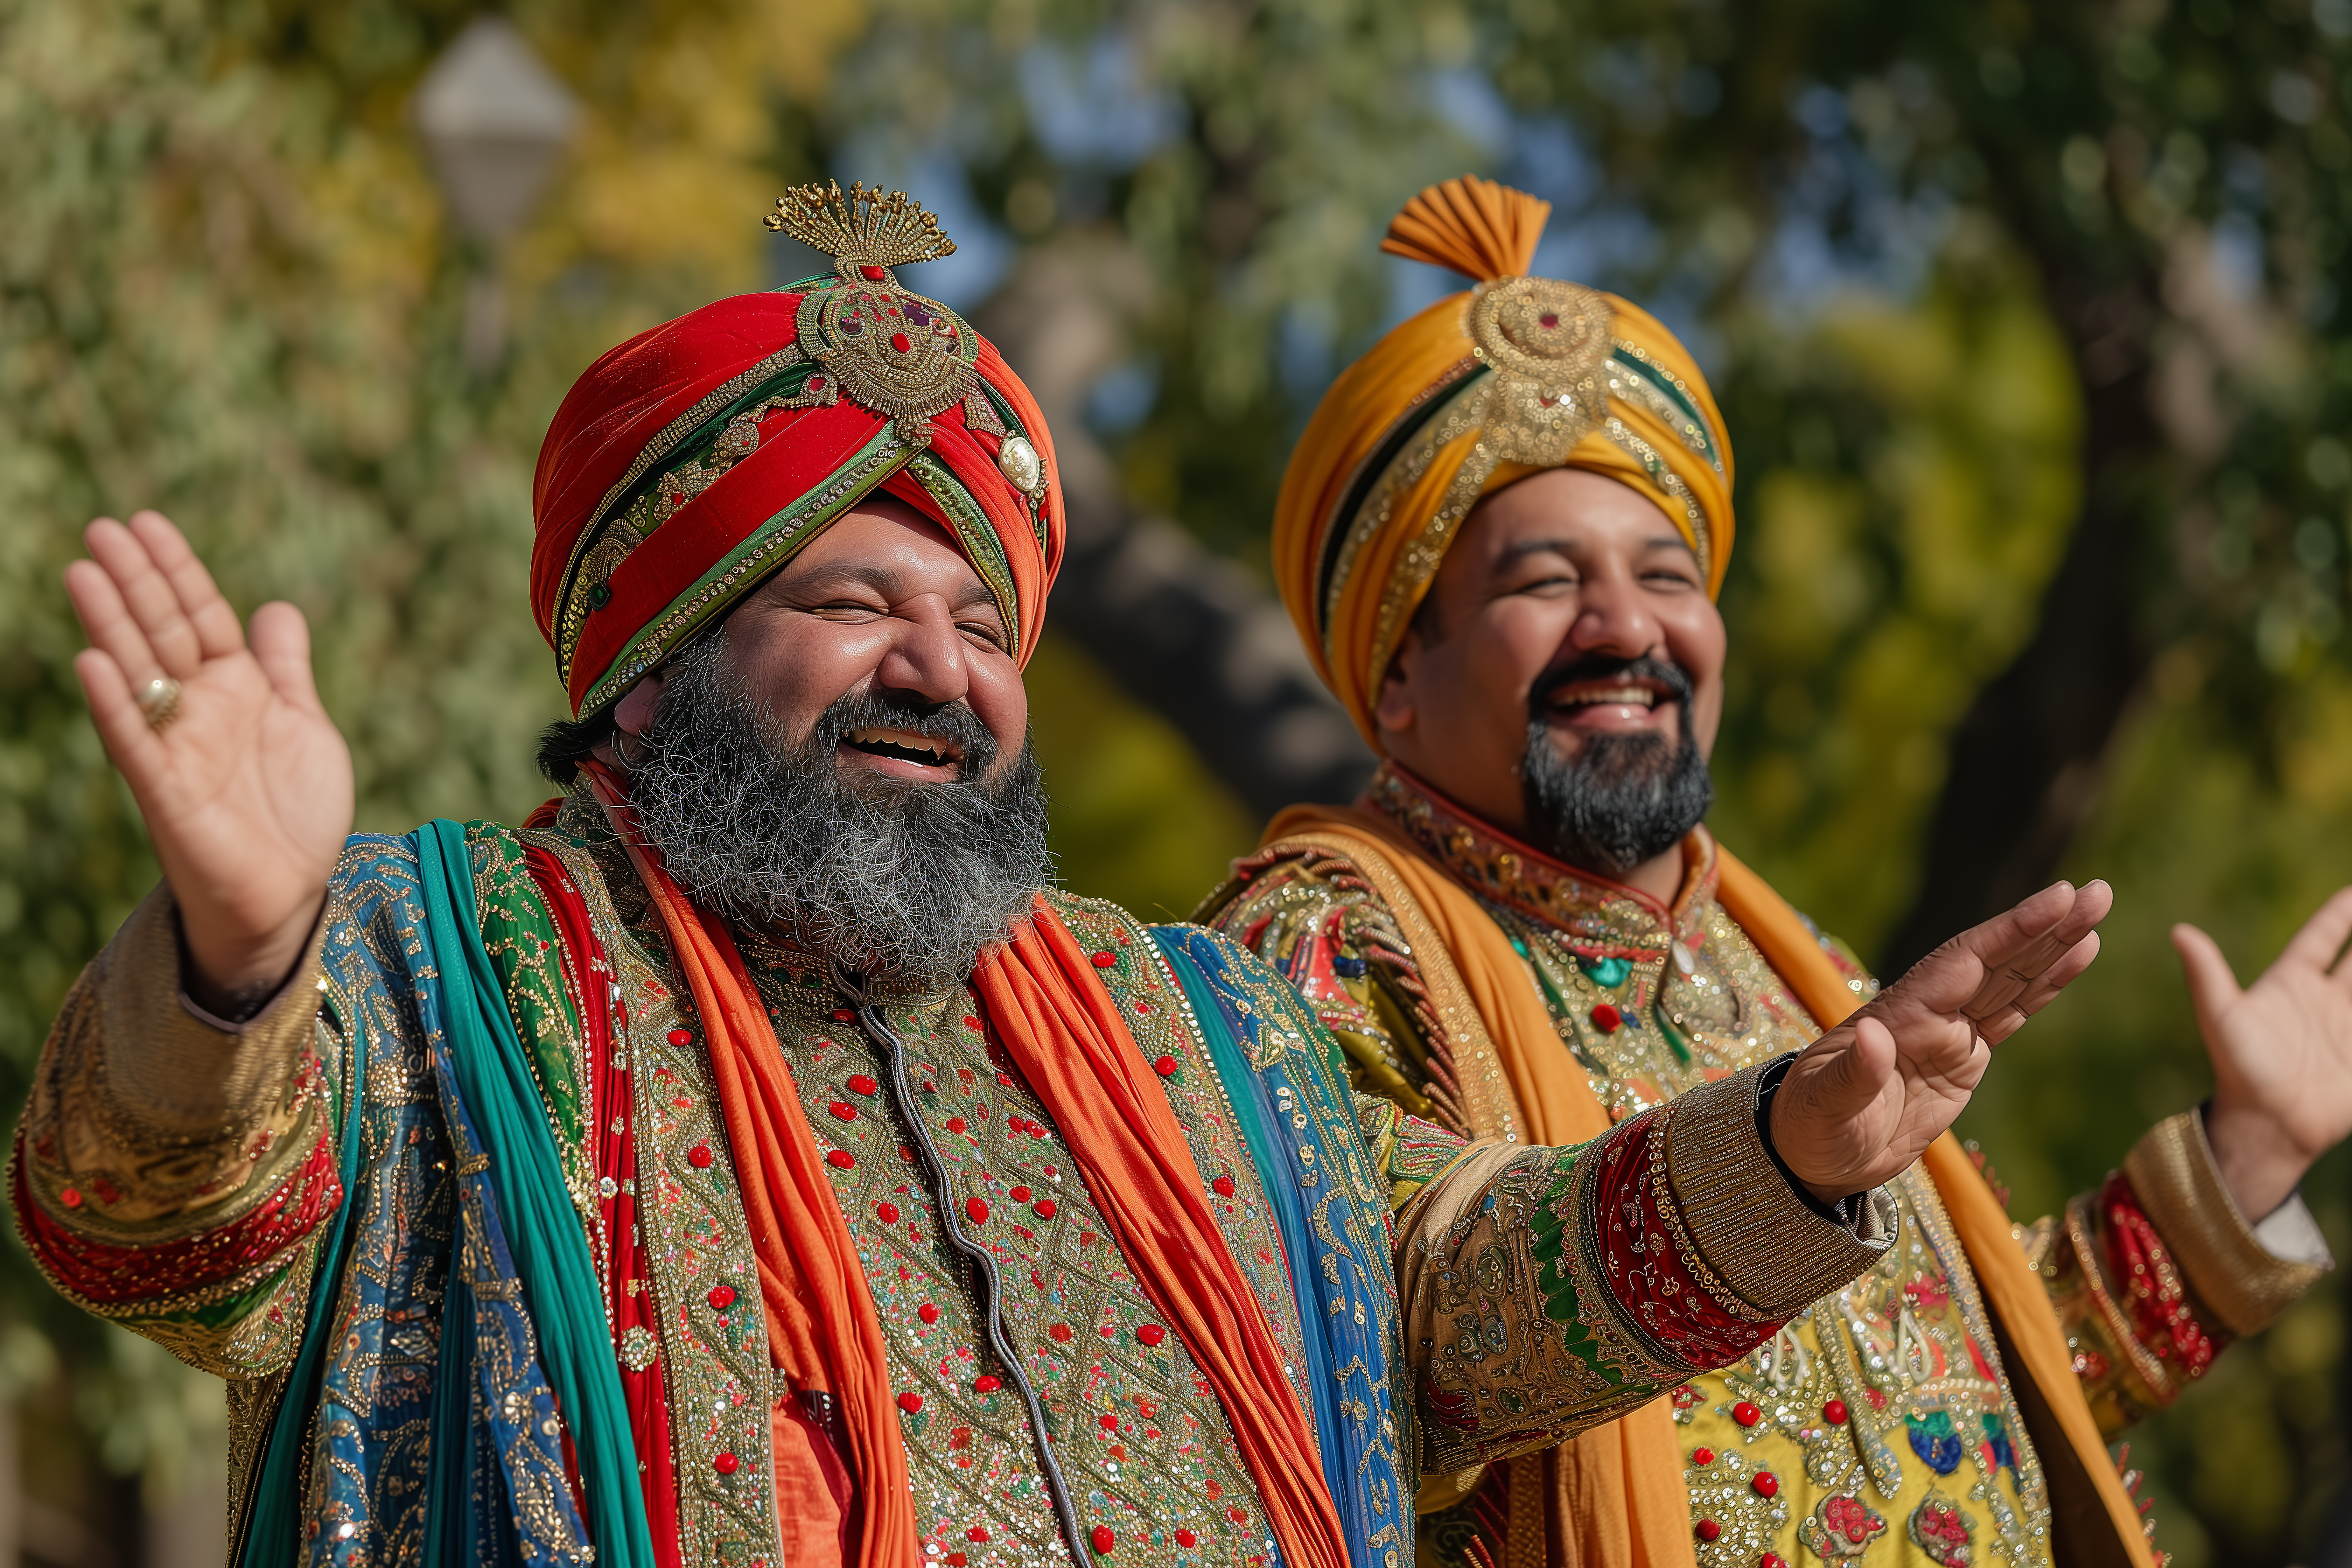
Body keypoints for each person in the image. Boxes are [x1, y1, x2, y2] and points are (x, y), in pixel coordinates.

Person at [15, 182, 2100, 1568]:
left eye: (982, 624)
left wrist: (1786, 1156)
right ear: (652, 667)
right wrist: (235, 954)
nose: (939, 669)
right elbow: (158, 1232)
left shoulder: (1189, 1022)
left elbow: (1446, 1306)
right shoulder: (434, 966)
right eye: (851, 602)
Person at [1198, 175, 2348, 1568]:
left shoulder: (1773, 956)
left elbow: (1968, 1419)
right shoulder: (1310, 944)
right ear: (1396, 675)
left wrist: (2249, 1152)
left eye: (1669, 576)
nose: (1628, 626)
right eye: (1545, 582)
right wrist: (1766, 1175)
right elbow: (1393, 1331)